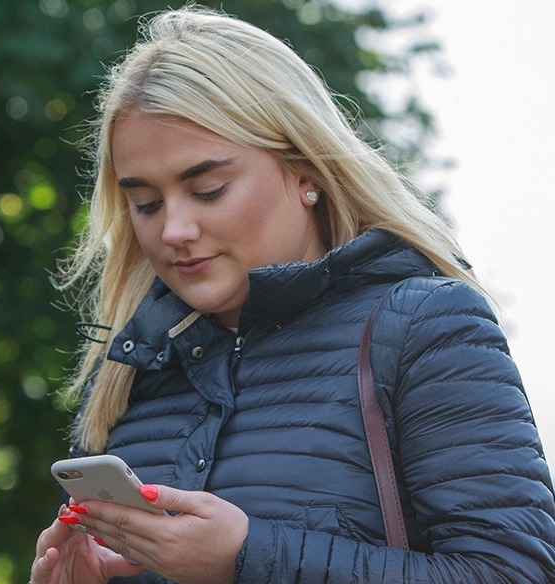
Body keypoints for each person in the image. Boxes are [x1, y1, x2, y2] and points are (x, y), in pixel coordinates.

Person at [30, 5, 555, 583]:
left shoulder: (424, 326)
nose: (172, 231)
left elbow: (514, 573)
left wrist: (248, 556)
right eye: (146, 203)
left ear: (305, 173)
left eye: (207, 190)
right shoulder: (131, 374)